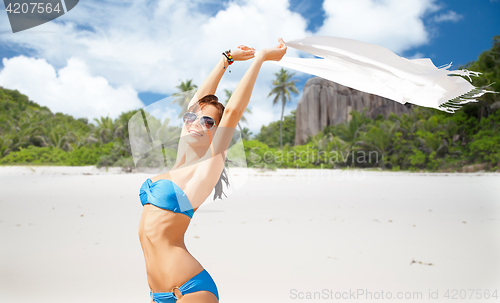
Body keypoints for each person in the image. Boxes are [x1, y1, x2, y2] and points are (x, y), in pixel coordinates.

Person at [138, 38, 287, 303]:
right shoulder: (180, 159)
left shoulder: (207, 166)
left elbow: (232, 112)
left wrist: (260, 57)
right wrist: (225, 59)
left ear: (216, 132)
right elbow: (196, 103)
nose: (196, 123)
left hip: (189, 289)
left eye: (208, 122)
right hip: (157, 294)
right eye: (193, 118)